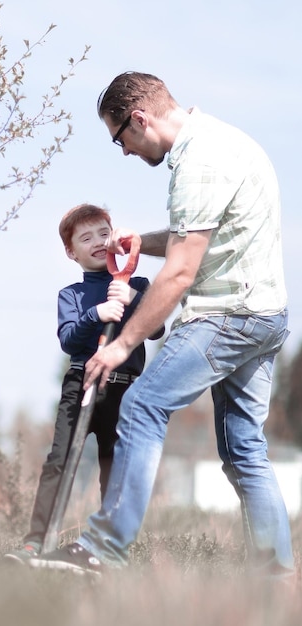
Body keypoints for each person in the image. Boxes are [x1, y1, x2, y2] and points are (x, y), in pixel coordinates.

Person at [29, 72, 295, 581]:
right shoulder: (225, 140)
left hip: (227, 317)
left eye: (119, 138)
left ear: (140, 119)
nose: (124, 152)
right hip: (265, 316)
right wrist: (140, 242)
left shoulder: (198, 161)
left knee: (142, 403)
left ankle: (103, 550)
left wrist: (121, 344)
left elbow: (178, 274)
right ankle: (276, 578)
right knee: (245, 450)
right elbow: (195, 237)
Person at [5, 202, 162, 562]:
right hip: (82, 383)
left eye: (103, 234)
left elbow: (157, 330)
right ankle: (36, 542)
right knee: (60, 461)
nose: (96, 241)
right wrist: (96, 314)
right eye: (85, 237)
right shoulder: (71, 296)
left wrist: (135, 300)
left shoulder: (136, 284)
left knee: (114, 465)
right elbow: (70, 340)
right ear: (70, 252)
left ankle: (107, 549)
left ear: (116, 240)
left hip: (125, 389)